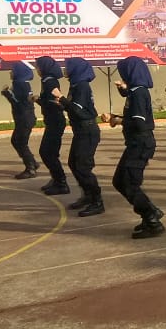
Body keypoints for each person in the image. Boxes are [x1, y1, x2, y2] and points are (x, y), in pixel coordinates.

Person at [107, 56, 163, 238]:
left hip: (141, 143)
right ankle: (150, 211)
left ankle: (152, 219)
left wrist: (118, 120)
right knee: (119, 181)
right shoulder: (135, 90)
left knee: (130, 184)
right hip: (134, 143)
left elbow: (139, 123)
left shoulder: (139, 93)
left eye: (124, 72)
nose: (122, 75)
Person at [61, 57, 103, 216]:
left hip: (87, 131)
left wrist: (63, 100)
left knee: (83, 167)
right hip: (80, 131)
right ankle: (87, 194)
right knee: (73, 163)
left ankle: (97, 201)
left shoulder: (82, 86)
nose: (65, 69)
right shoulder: (75, 85)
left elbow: (78, 110)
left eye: (68, 67)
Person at [33, 56, 69, 195]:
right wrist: (40, 100)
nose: (37, 69)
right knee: (49, 152)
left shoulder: (49, 81)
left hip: (55, 121)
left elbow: (54, 102)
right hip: (52, 120)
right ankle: (56, 179)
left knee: (47, 152)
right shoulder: (46, 80)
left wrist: (40, 100)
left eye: (38, 66)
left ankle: (61, 182)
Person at [1, 62, 39, 179]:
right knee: (17, 141)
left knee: (20, 142)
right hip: (25, 117)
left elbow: (17, 102)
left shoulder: (19, 84)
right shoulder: (23, 84)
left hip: (24, 118)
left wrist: (6, 93)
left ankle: (30, 168)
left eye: (12, 70)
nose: (10, 72)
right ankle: (32, 162)